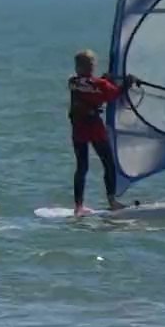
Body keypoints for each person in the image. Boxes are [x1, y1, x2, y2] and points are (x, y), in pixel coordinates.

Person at [67, 49, 137, 217]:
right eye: (88, 65)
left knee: (83, 167)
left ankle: (79, 206)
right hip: (90, 129)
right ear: (79, 67)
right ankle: (111, 202)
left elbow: (93, 86)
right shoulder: (98, 84)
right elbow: (112, 93)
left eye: (91, 65)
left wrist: (106, 79)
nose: (91, 68)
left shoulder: (73, 82)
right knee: (107, 164)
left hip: (80, 128)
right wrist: (128, 83)